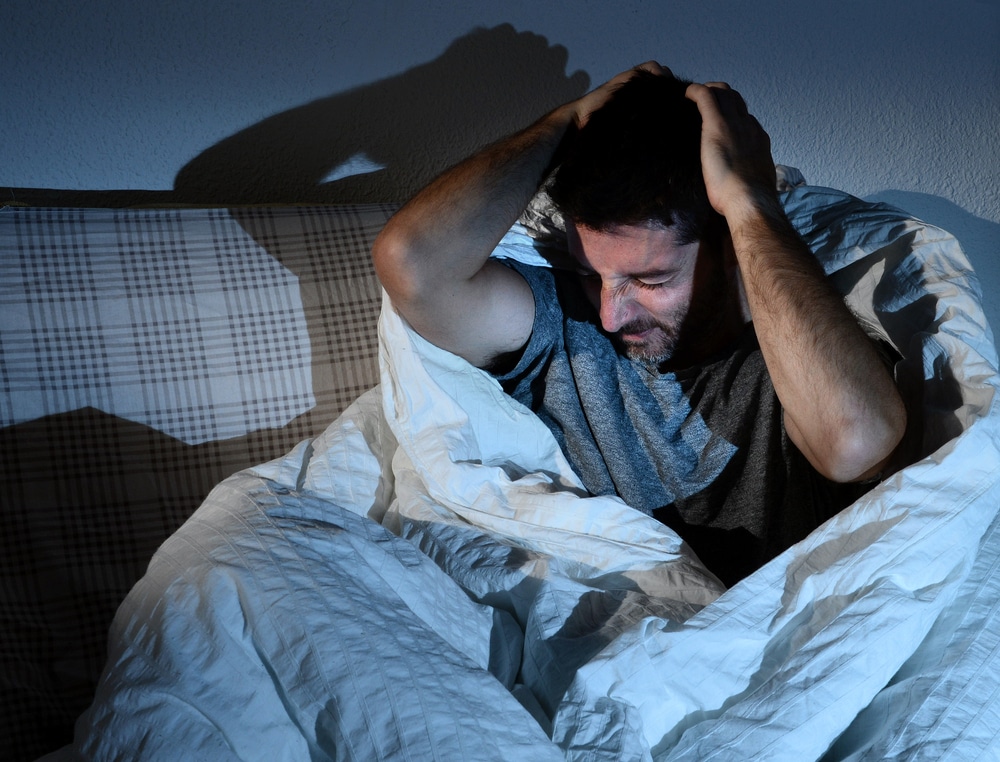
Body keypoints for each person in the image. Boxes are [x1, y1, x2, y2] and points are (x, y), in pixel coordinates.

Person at [371, 62, 907, 585]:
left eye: (650, 280)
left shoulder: (796, 345)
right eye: (590, 274)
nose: (610, 314)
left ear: (729, 246)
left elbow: (853, 443)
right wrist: (566, 121)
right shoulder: (563, 322)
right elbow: (413, 264)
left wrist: (751, 202)